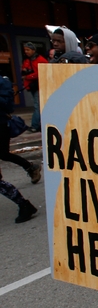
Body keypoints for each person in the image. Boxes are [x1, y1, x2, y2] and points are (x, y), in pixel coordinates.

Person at [0, 75, 38, 223]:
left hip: (1, 125)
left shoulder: (2, 83)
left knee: (3, 154)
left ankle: (24, 204)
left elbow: (7, 104)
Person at [20, 42, 48, 132]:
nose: (26, 52)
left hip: (39, 85)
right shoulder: (27, 60)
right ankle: (38, 124)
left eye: (28, 50)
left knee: (37, 105)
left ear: (33, 50)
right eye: (25, 50)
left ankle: (35, 125)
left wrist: (28, 76)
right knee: (37, 105)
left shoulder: (40, 59)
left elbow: (42, 71)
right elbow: (23, 70)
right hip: (31, 85)